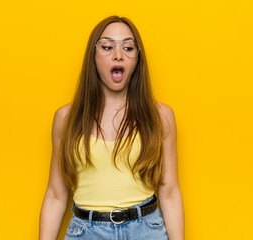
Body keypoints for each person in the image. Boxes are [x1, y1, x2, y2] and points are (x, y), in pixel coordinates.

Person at [39, 15, 184, 240]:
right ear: (93, 56)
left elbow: (170, 191)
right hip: (86, 232)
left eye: (128, 47)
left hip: (146, 231)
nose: (118, 55)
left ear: (137, 58)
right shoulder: (66, 118)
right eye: (107, 47)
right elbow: (56, 195)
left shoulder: (160, 116)